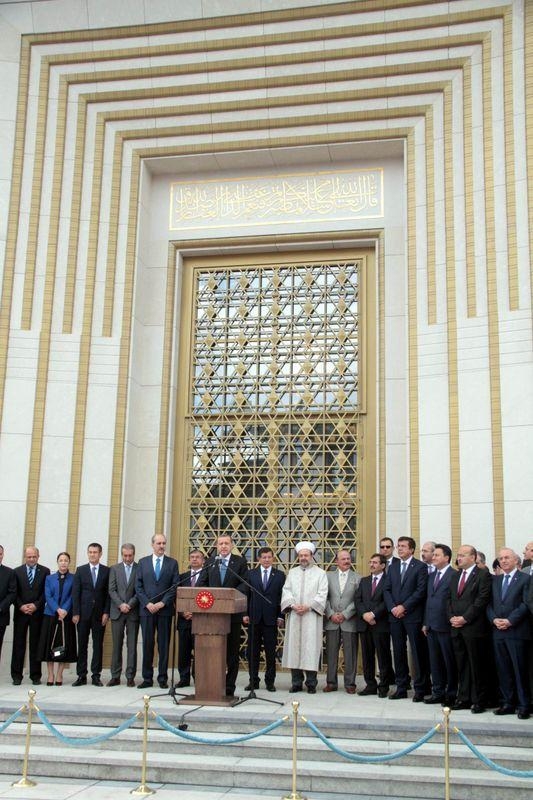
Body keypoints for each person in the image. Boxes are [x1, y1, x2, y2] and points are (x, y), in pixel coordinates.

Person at [197, 533, 249, 697]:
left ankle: (229, 686)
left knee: (232, 652)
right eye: (220, 544)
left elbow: (244, 584)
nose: (224, 546)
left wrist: (231, 595)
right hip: (212, 616)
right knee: (213, 650)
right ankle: (212, 683)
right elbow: (201, 583)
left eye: (227, 543)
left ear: (232, 545)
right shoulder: (211, 562)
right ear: (216, 546)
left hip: (232, 615)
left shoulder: (240, 562)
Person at [383, 536, 430, 701]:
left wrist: (404, 607)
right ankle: (401, 687)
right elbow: (386, 589)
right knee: (398, 651)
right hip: (395, 616)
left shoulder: (420, 567)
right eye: (398, 546)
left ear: (411, 549)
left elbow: (420, 591)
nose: (400, 549)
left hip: (413, 616)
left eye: (403, 546)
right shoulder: (393, 567)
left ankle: (420, 688)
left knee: (417, 653)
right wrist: (393, 607)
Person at [447, 544, 492, 713]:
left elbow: (481, 600)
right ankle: (464, 698)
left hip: (473, 627)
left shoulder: (482, 575)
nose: (458, 558)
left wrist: (465, 618)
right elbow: (449, 599)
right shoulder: (455, 576)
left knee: (477, 665)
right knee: (462, 664)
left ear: (473, 557)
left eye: (462, 555)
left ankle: (479, 699)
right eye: (458, 555)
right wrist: (451, 617)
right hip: (456, 627)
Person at [488, 548, 531, 719]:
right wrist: (494, 619)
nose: (503, 561)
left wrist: (510, 620)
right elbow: (489, 604)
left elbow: (526, 604)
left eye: (507, 558)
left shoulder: (526, 579)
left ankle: (524, 704)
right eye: (500, 558)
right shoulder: (495, 580)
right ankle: (508, 702)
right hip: (498, 631)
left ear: (516, 560)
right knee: (503, 669)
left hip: (517, 631)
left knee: (519, 670)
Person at [281, 541, 328, 694]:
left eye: (306, 555)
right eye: (301, 555)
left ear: (312, 556)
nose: (303, 558)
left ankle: (311, 683)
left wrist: (308, 606)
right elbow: (286, 591)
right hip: (295, 616)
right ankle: (296, 683)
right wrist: (294, 605)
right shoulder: (292, 573)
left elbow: (322, 594)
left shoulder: (320, 573)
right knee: (294, 650)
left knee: (310, 649)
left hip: (311, 618)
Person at [136, 533, 179, 689]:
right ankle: (147, 678)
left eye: (164, 543)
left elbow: (174, 586)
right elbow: (138, 586)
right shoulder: (142, 562)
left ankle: (162, 678)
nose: (162, 546)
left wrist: (162, 603)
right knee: (147, 644)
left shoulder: (172, 563)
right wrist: (147, 603)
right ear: (152, 544)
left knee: (163, 645)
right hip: (146, 611)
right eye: (159, 543)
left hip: (164, 611)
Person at [243, 547, 285, 692]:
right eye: (264, 557)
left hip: (271, 620)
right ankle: (253, 681)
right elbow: (246, 596)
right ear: (259, 559)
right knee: (252, 652)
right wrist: (245, 613)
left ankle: (270, 682)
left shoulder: (279, 575)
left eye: (269, 557)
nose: (267, 560)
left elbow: (282, 598)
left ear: (273, 558)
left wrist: (281, 615)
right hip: (254, 618)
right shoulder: (251, 574)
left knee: (270, 652)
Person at [355, 553, 395, 697]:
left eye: (375, 562)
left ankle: (383, 686)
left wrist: (373, 614)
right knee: (367, 657)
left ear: (383, 566)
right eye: (370, 562)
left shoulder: (389, 580)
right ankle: (370, 685)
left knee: (383, 657)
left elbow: (387, 601)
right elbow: (358, 600)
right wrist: (365, 615)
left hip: (381, 624)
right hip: (365, 625)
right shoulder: (364, 581)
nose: (371, 565)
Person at [422, 544, 457, 706]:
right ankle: (438, 691)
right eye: (433, 555)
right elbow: (429, 601)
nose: (433, 557)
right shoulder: (431, 576)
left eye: (436, 555)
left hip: (446, 626)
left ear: (446, 558)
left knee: (448, 662)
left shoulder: (454, 575)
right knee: (434, 661)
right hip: (431, 626)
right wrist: (425, 622)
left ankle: (451, 693)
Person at [72, 543, 110, 687]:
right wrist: (75, 612)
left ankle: (96, 675)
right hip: (82, 615)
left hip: (99, 615)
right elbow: (76, 593)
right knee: (82, 645)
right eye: (90, 552)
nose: (92, 554)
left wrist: (106, 612)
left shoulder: (106, 571)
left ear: (100, 554)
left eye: (95, 552)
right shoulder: (81, 570)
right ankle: (81, 675)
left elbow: (108, 594)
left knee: (98, 645)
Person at [11, 546, 50, 685]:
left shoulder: (45, 571)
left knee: (36, 645)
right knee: (18, 645)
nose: (32, 559)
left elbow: (46, 592)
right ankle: (16, 675)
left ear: (38, 556)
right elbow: (14, 592)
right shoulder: (16, 572)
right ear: (25, 557)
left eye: (34, 556)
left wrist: (36, 605)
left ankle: (35, 675)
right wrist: (21, 606)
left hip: (37, 614)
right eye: (29, 557)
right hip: (21, 613)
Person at [323, 549, 361, 694]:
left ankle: (350, 683)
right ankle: (331, 682)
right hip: (332, 620)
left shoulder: (357, 578)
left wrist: (345, 614)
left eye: (348, 559)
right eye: (343, 559)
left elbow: (357, 600)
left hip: (349, 621)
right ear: (336, 561)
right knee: (331, 652)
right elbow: (324, 597)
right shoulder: (328, 577)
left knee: (350, 653)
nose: (346, 561)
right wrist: (331, 614)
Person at [37, 552, 77, 685]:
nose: (63, 563)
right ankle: (50, 675)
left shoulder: (74, 578)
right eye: (61, 560)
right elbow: (48, 596)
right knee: (50, 644)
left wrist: (64, 610)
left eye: (66, 560)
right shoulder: (49, 578)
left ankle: (59, 674)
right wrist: (57, 609)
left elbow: (73, 596)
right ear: (57, 562)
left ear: (69, 562)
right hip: (51, 615)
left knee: (62, 645)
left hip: (66, 616)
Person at [108, 543, 139, 687]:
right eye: (125, 555)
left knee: (131, 646)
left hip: (133, 612)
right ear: (122, 555)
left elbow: (140, 590)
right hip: (117, 612)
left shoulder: (139, 568)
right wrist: (121, 604)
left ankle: (130, 676)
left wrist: (130, 604)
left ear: (134, 554)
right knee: (116, 645)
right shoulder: (114, 569)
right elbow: (111, 590)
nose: (127, 558)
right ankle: (115, 676)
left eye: (130, 555)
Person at [176, 548, 205, 688]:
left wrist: (196, 612)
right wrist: (183, 612)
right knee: (184, 651)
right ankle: (184, 678)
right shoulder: (183, 577)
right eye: (192, 556)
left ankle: (198, 677)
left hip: (200, 620)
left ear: (203, 560)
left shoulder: (208, 576)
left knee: (199, 651)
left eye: (197, 557)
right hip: (184, 620)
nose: (194, 559)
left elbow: (209, 598)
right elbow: (177, 597)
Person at [0, 545, 16, 662]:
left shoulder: (9, 572)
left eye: (0, 554)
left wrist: (1, 607)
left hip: (1, 615)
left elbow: (12, 593)